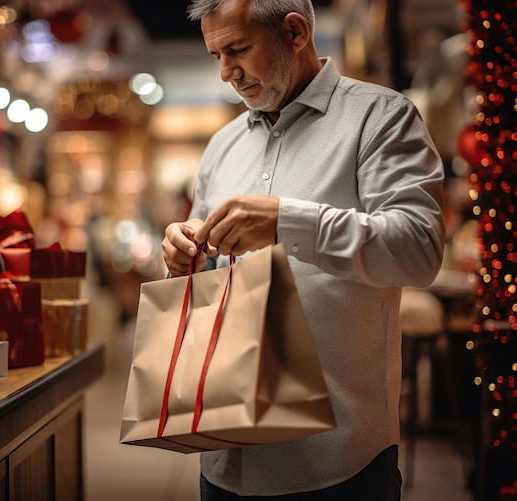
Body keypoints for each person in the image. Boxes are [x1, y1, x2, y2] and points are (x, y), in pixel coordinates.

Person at [161, 0, 446, 499]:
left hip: (338, 462)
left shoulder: (380, 118)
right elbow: (207, 280)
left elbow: (418, 250)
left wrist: (285, 221)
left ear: (295, 31)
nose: (227, 72)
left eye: (238, 49)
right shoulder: (220, 146)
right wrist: (183, 257)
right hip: (222, 457)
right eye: (216, 55)